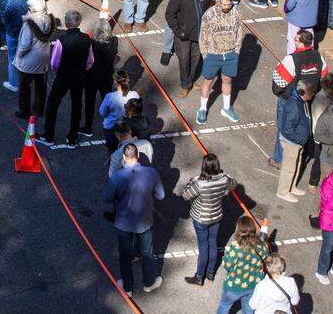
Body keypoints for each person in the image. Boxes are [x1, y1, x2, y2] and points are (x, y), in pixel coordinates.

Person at [103, 143, 165, 295]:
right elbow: (161, 195)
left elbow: (106, 198)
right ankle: (149, 282)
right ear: (137, 155)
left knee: (125, 255)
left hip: (123, 223)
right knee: (147, 253)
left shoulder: (117, 176)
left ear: (124, 157)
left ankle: (128, 287)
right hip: (145, 221)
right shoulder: (151, 172)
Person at [178, 153, 236, 286]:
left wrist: (192, 180)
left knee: (203, 247)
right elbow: (233, 185)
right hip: (216, 215)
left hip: (200, 217)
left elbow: (185, 195)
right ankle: (210, 273)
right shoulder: (224, 179)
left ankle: (199, 276)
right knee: (213, 243)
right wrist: (225, 175)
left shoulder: (200, 183)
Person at [40, 11, 94, 148]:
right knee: (77, 106)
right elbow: (90, 60)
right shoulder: (87, 39)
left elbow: (54, 63)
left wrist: (60, 71)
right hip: (79, 76)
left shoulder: (62, 40)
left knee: (52, 104)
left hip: (64, 76)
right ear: (79, 22)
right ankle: (72, 138)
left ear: (66, 22)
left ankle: (49, 136)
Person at [197, 0, 243, 124]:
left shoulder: (236, 13)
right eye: (224, 4)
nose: (226, 7)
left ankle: (227, 108)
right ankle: (203, 108)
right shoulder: (209, 14)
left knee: (227, 79)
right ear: (218, 2)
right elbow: (203, 35)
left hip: (230, 54)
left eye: (228, 4)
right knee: (208, 81)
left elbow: (240, 31)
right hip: (213, 54)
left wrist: (237, 50)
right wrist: (205, 54)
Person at [165, 0, 211, 99]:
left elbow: (208, 11)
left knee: (195, 59)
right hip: (183, 37)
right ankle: (185, 86)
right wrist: (179, 31)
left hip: (198, 35)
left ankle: (189, 82)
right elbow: (169, 14)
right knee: (184, 61)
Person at [14, 0, 57, 118]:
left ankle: (24, 111)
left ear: (33, 9)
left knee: (24, 87)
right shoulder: (48, 19)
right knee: (40, 86)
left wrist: (19, 55)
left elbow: (25, 43)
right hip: (44, 57)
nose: (28, 9)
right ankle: (38, 110)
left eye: (30, 7)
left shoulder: (31, 23)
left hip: (29, 59)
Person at [217, 215, 270, 314]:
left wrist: (227, 253)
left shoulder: (236, 249)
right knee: (248, 310)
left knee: (224, 307)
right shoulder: (262, 245)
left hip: (234, 286)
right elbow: (266, 256)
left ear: (238, 230)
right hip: (254, 284)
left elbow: (226, 264)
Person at [276, 80, 314, 202]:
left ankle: (291, 187)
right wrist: (300, 139)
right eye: (311, 93)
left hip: (298, 142)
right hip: (292, 142)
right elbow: (287, 130)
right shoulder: (294, 106)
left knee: (296, 165)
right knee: (289, 168)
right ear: (303, 93)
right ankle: (283, 191)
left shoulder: (301, 101)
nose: (312, 95)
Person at [1, 0, 30, 92]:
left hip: (13, 34)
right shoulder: (30, 2)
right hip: (26, 34)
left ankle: (14, 83)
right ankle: (26, 80)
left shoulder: (11, 5)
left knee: (12, 58)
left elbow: (5, 20)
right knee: (26, 55)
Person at [99, 71, 135, 153]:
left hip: (110, 128)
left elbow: (102, 113)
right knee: (127, 150)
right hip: (127, 127)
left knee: (112, 150)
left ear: (115, 82)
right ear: (127, 80)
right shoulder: (134, 95)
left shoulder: (110, 97)